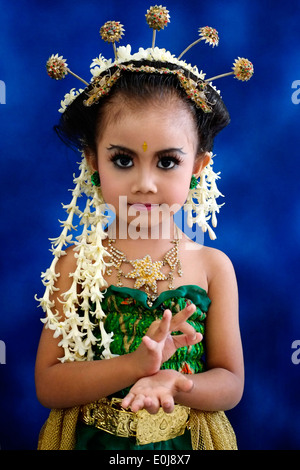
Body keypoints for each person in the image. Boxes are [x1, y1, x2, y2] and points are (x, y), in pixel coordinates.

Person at [35, 6, 253, 451]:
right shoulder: (75, 266)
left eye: (167, 161)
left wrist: (177, 383)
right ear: (94, 163)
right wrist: (135, 365)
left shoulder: (213, 267)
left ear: (197, 168)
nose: (145, 183)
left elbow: (230, 383)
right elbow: (49, 385)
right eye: (123, 159)